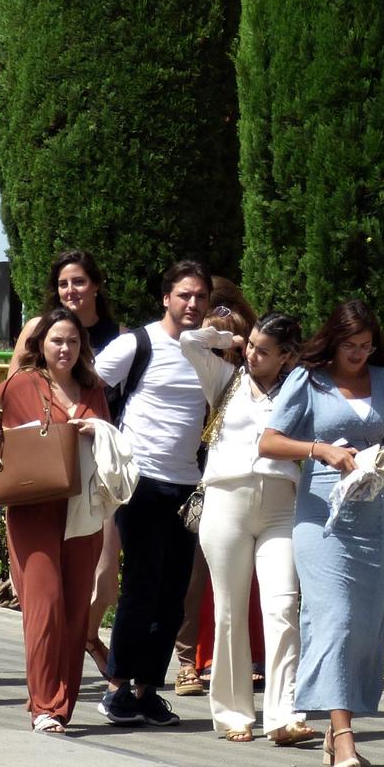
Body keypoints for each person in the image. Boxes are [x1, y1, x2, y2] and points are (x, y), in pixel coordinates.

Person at [260, 301, 384, 767]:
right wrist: (320, 449)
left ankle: (335, 728)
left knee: (364, 627)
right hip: (321, 517)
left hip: (373, 517)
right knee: (336, 619)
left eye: (366, 346)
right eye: (350, 346)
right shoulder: (309, 378)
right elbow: (269, 441)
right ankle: (344, 736)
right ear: (334, 340)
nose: (359, 354)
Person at [0, 307, 109, 733]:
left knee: (76, 608)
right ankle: (44, 704)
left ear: (82, 347)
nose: (65, 348)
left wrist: (93, 430)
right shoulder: (24, 383)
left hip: (81, 509)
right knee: (44, 605)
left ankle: (62, 705)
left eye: (73, 341)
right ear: (41, 345)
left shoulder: (92, 388)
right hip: (33, 506)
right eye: (57, 340)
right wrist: (18, 440)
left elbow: (111, 435)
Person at [92, 261, 221, 727]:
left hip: (188, 486)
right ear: (166, 298)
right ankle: (115, 688)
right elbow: (90, 383)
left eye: (200, 297)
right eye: (184, 296)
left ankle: (147, 690)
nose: (192, 305)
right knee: (142, 585)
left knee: (174, 592)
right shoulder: (138, 343)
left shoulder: (209, 350)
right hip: (140, 481)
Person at [180, 312, 312, 743]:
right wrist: (225, 336)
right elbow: (189, 343)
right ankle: (234, 713)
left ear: (287, 356)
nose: (252, 354)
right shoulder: (225, 377)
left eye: (263, 349)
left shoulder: (300, 387)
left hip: (281, 505)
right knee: (230, 610)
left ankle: (283, 713)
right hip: (226, 501)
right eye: (251, 345)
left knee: (282, 607)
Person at [10, 249, 125, 689]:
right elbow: (9, 401)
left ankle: (83, 642)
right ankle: (47, 690)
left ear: (96, 285)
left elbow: (119, 407)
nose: (71, 290)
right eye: (63, 283)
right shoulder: (36, 337)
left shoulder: (117, 341)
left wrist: (101, 432)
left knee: (100, 583)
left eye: (78, 281)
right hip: (40, 485)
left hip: (91, 481)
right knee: (46, 596)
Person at [173, 283, 258, 697]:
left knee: (252, 575)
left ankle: (247, 657)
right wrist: (223, 337)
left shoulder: (265, 379)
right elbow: (191, 340)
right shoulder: (217, 373)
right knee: (197, 572)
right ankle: (187, 660)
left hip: (255, 482)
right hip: (210, 475)